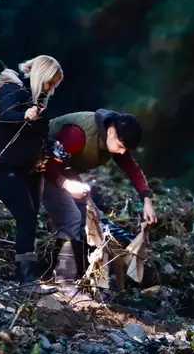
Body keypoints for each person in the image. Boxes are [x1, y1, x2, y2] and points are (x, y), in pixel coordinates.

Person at [0, 56, 89, 286]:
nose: (50, 88)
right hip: (5, 166)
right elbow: (5, 115)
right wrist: (24, 116)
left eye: (54, 85)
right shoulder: (12, 89)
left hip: (31, 169)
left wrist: (52, 148)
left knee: (29, 219)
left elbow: (37, 136)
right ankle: (25, 278)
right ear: (41, 75)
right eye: (49, 82)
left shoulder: (38, 100)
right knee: (26, 216)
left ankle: (27, 274)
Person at [45, 109, 157, 285]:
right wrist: (67, 185)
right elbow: (49, 166)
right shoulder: (77, 135)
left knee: (91, 217)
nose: (121, 153)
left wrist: (147, 200)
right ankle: (60, 277)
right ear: (111, 132)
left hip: (65, 170)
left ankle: (80, 274)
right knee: (72, 218)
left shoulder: (114, 139)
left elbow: (132, 169)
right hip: (40, 169)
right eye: (121, 147)